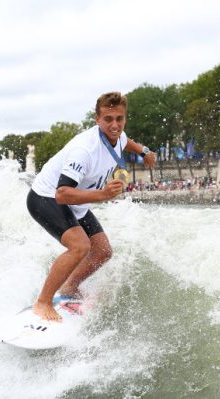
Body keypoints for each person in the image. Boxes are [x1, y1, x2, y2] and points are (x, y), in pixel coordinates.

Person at [26, 91, 156, 321]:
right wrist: (102, 194)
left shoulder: (119, 136)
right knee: (79, 246)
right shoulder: (84, 150)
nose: (115, 125)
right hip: (45, 197)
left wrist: (145, 152)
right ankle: (43, 302)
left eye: (120, 119)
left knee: (103, 251)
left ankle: (69, 287)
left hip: (76, 200)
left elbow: (128, 143)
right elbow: (62, 193)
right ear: (97, 120)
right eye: (108, 119)